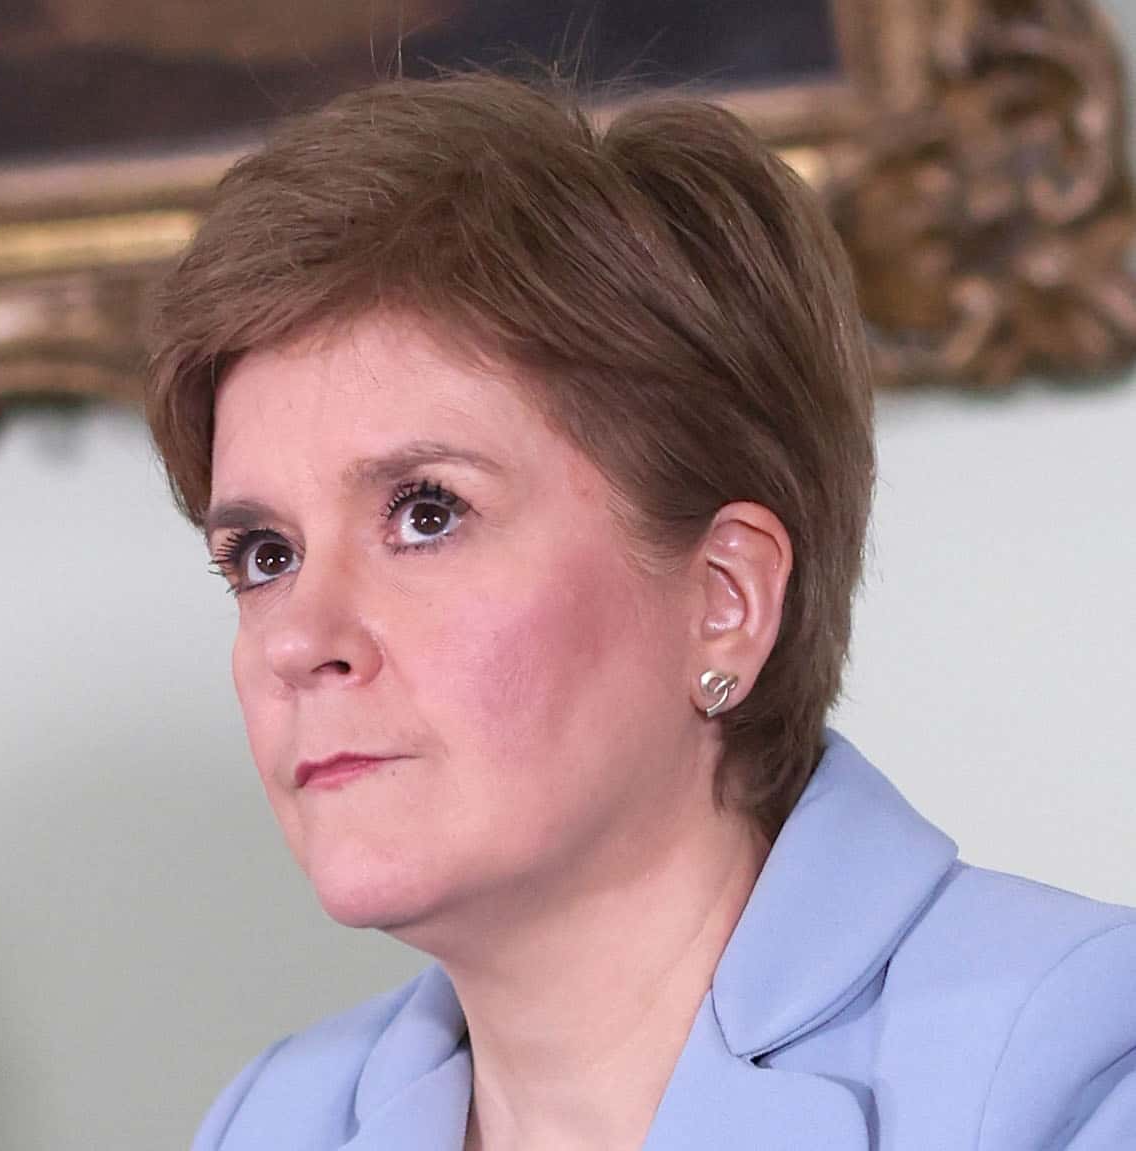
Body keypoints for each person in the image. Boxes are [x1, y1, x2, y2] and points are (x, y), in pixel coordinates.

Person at [144, 74, 1136, 1150]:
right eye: (266, 555)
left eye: (427, 514)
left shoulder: (1076, 1061)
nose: (298, 639)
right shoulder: (274, 1120)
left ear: (724, 599)